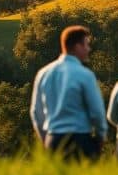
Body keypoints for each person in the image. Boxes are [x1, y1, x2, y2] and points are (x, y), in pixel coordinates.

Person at [29, 25, 107, 160]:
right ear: (77, 46)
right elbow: (97, 112)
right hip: (81, 140)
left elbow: (36, 112)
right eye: (86, 45)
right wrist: (101, 137)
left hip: (53, 140)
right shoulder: (85, 75)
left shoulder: (43, 73)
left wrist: (45, 138)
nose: (89, 49)